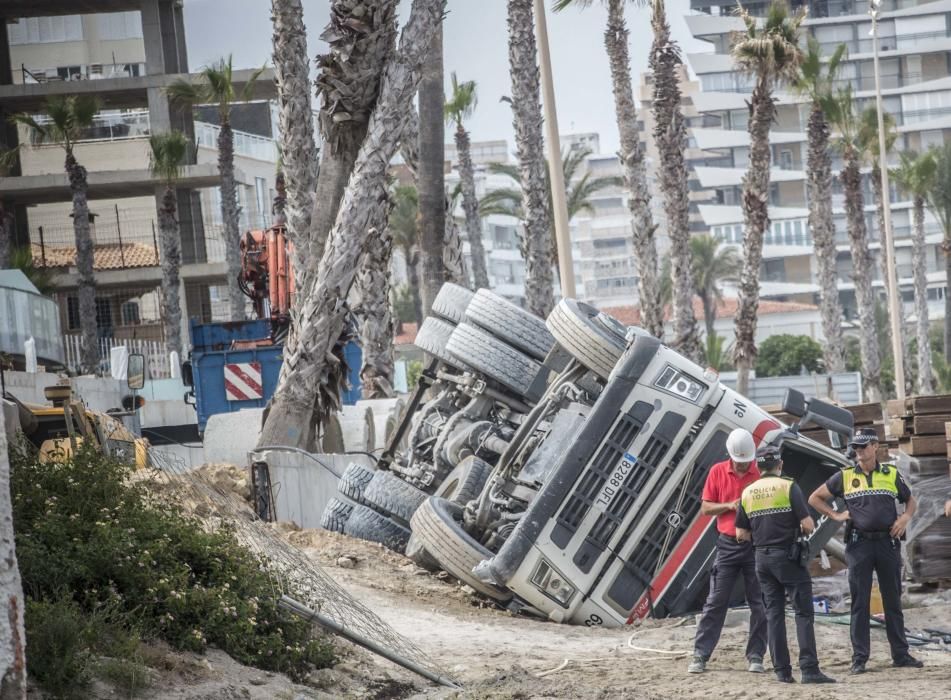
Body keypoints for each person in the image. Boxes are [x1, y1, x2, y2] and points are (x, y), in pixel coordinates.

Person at [808, 428, 922, 674]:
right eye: (856, 448)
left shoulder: (891, 474)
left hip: (887, 544)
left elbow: (911, 500)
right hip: (859, 545)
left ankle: (900, 655)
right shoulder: (845, 476)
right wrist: (835, 515)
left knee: (892, 600)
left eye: (863, 447)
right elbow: (815, 498)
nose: (858, 452)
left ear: (875, 447)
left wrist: (905, 518)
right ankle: (859, 659)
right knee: (860, 602)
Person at [735, 445, 835, 684]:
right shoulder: (788, 486)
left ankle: (782, 672)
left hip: (761, 560)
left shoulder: (747, 492)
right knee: (802, 613)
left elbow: (740, 533)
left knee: (774, 615)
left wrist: (761, 534)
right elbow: (809, 525)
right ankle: (809, 670)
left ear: (758, 467)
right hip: (788, 558)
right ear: (779, 465)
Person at [687, 428, 767, 674]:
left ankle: (756, 655)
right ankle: (700, 654)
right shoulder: (718, 472)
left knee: (759, 603)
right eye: (740, 462)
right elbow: (706, 508)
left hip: (755, 545)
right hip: (728, 544)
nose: (744, 467)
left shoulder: (760, 472)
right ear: (731, 456)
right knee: (715, 601)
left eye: (747, 462)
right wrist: (729, 506)